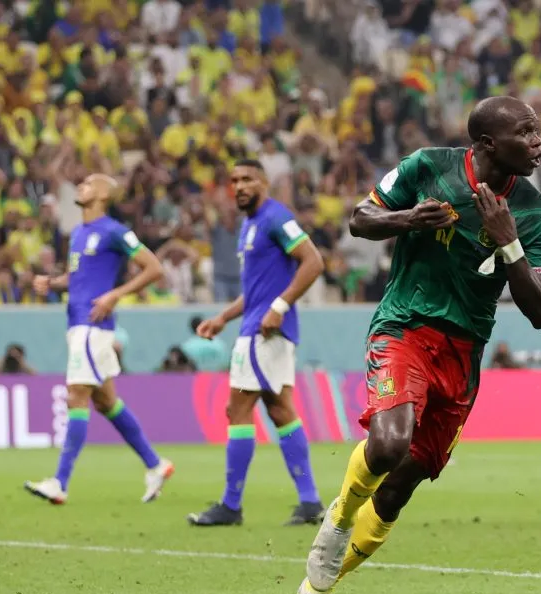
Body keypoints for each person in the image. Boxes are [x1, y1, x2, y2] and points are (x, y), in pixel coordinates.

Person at [296, 96, 541, 594]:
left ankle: (316, 590)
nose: (539, 143)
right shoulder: (428, 168)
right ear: (487, 144)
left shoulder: (534, 214)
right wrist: (407, 219)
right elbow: (359, 219)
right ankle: (338, 521)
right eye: (527, 133)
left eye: (538, 133)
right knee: (389, 444)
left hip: (463, 355)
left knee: (397, 489)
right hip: (405, 327)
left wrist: (508, 241)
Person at [186, 159, 327, 528]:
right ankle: (310, 502)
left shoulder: (275, 218)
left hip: (264, 332)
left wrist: (279, 307)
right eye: (234, 181)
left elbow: (313, 261)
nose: (240, 186)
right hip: (258, 326)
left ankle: (231, 505)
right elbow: (255, 291)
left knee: (238, 409)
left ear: (264, 182)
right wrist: (222, 318)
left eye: (247, 179)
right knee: (280, 410)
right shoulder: (249, 225)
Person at [24, 174, 175, 505]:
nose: (81, 185)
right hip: (77, 324)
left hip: (93, 325)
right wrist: (53, 283)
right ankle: (155, 464)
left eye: (90, 183)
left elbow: (154, 268)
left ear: (105, 194)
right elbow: (77, 278)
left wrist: (114, 296)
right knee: (106, 401)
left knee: (76, 395)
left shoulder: (115, 231)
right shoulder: (78, 233)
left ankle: (60, 482)